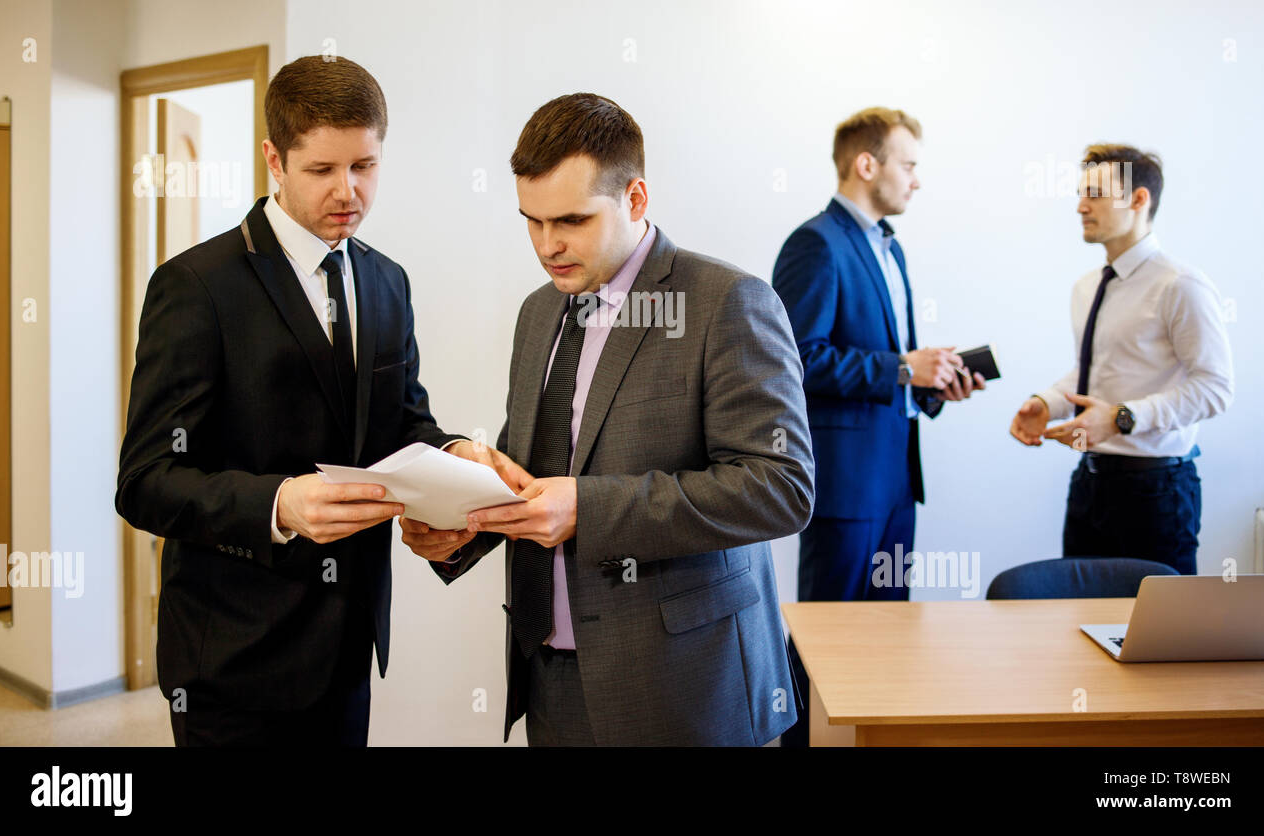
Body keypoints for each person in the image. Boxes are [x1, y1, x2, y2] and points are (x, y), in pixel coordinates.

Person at [116, 55, 524, 746]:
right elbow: (146, 483)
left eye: (365, 166)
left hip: (348, 646)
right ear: (274, 160)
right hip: (230, 658)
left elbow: (404, 426)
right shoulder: (195, 286)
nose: (349, 192)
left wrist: (455, 456)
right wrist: (280, 505)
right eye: (322, 170)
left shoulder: (387, 281)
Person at [400, 92, 814, 745]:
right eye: (530, 221)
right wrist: (462, 527)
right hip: (552, 677)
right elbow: (532, 476)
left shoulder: (727, 303)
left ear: (636, 199)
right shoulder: (539, 312)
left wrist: (588, 510)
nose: (547, 244)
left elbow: (780, 490)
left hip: (689, 683)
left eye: (570, 220)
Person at [771, 106, 985, 747]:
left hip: (895, 483)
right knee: (825, 644)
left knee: (887, 642)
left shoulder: (891, 247)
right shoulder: (816, 244)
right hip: (844, 487)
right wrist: (900, 368)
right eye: (909, 165)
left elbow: (897, 369)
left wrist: (933, 381)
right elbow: (796, 359)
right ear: (868, 164)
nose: (916, 181)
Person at [1010, 144, 1233, 575]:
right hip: (1090, 482)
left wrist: (1120, 418)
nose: (1080, 206)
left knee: (1160, 637)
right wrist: (1047, 402)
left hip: (1157, 491)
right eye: (1080, 193)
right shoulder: (1086, 286)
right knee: (1076, 622)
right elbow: (1095, 370)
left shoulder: (1181, 285)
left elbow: (1215, 388)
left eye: (1094, 193)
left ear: (1138, 200)